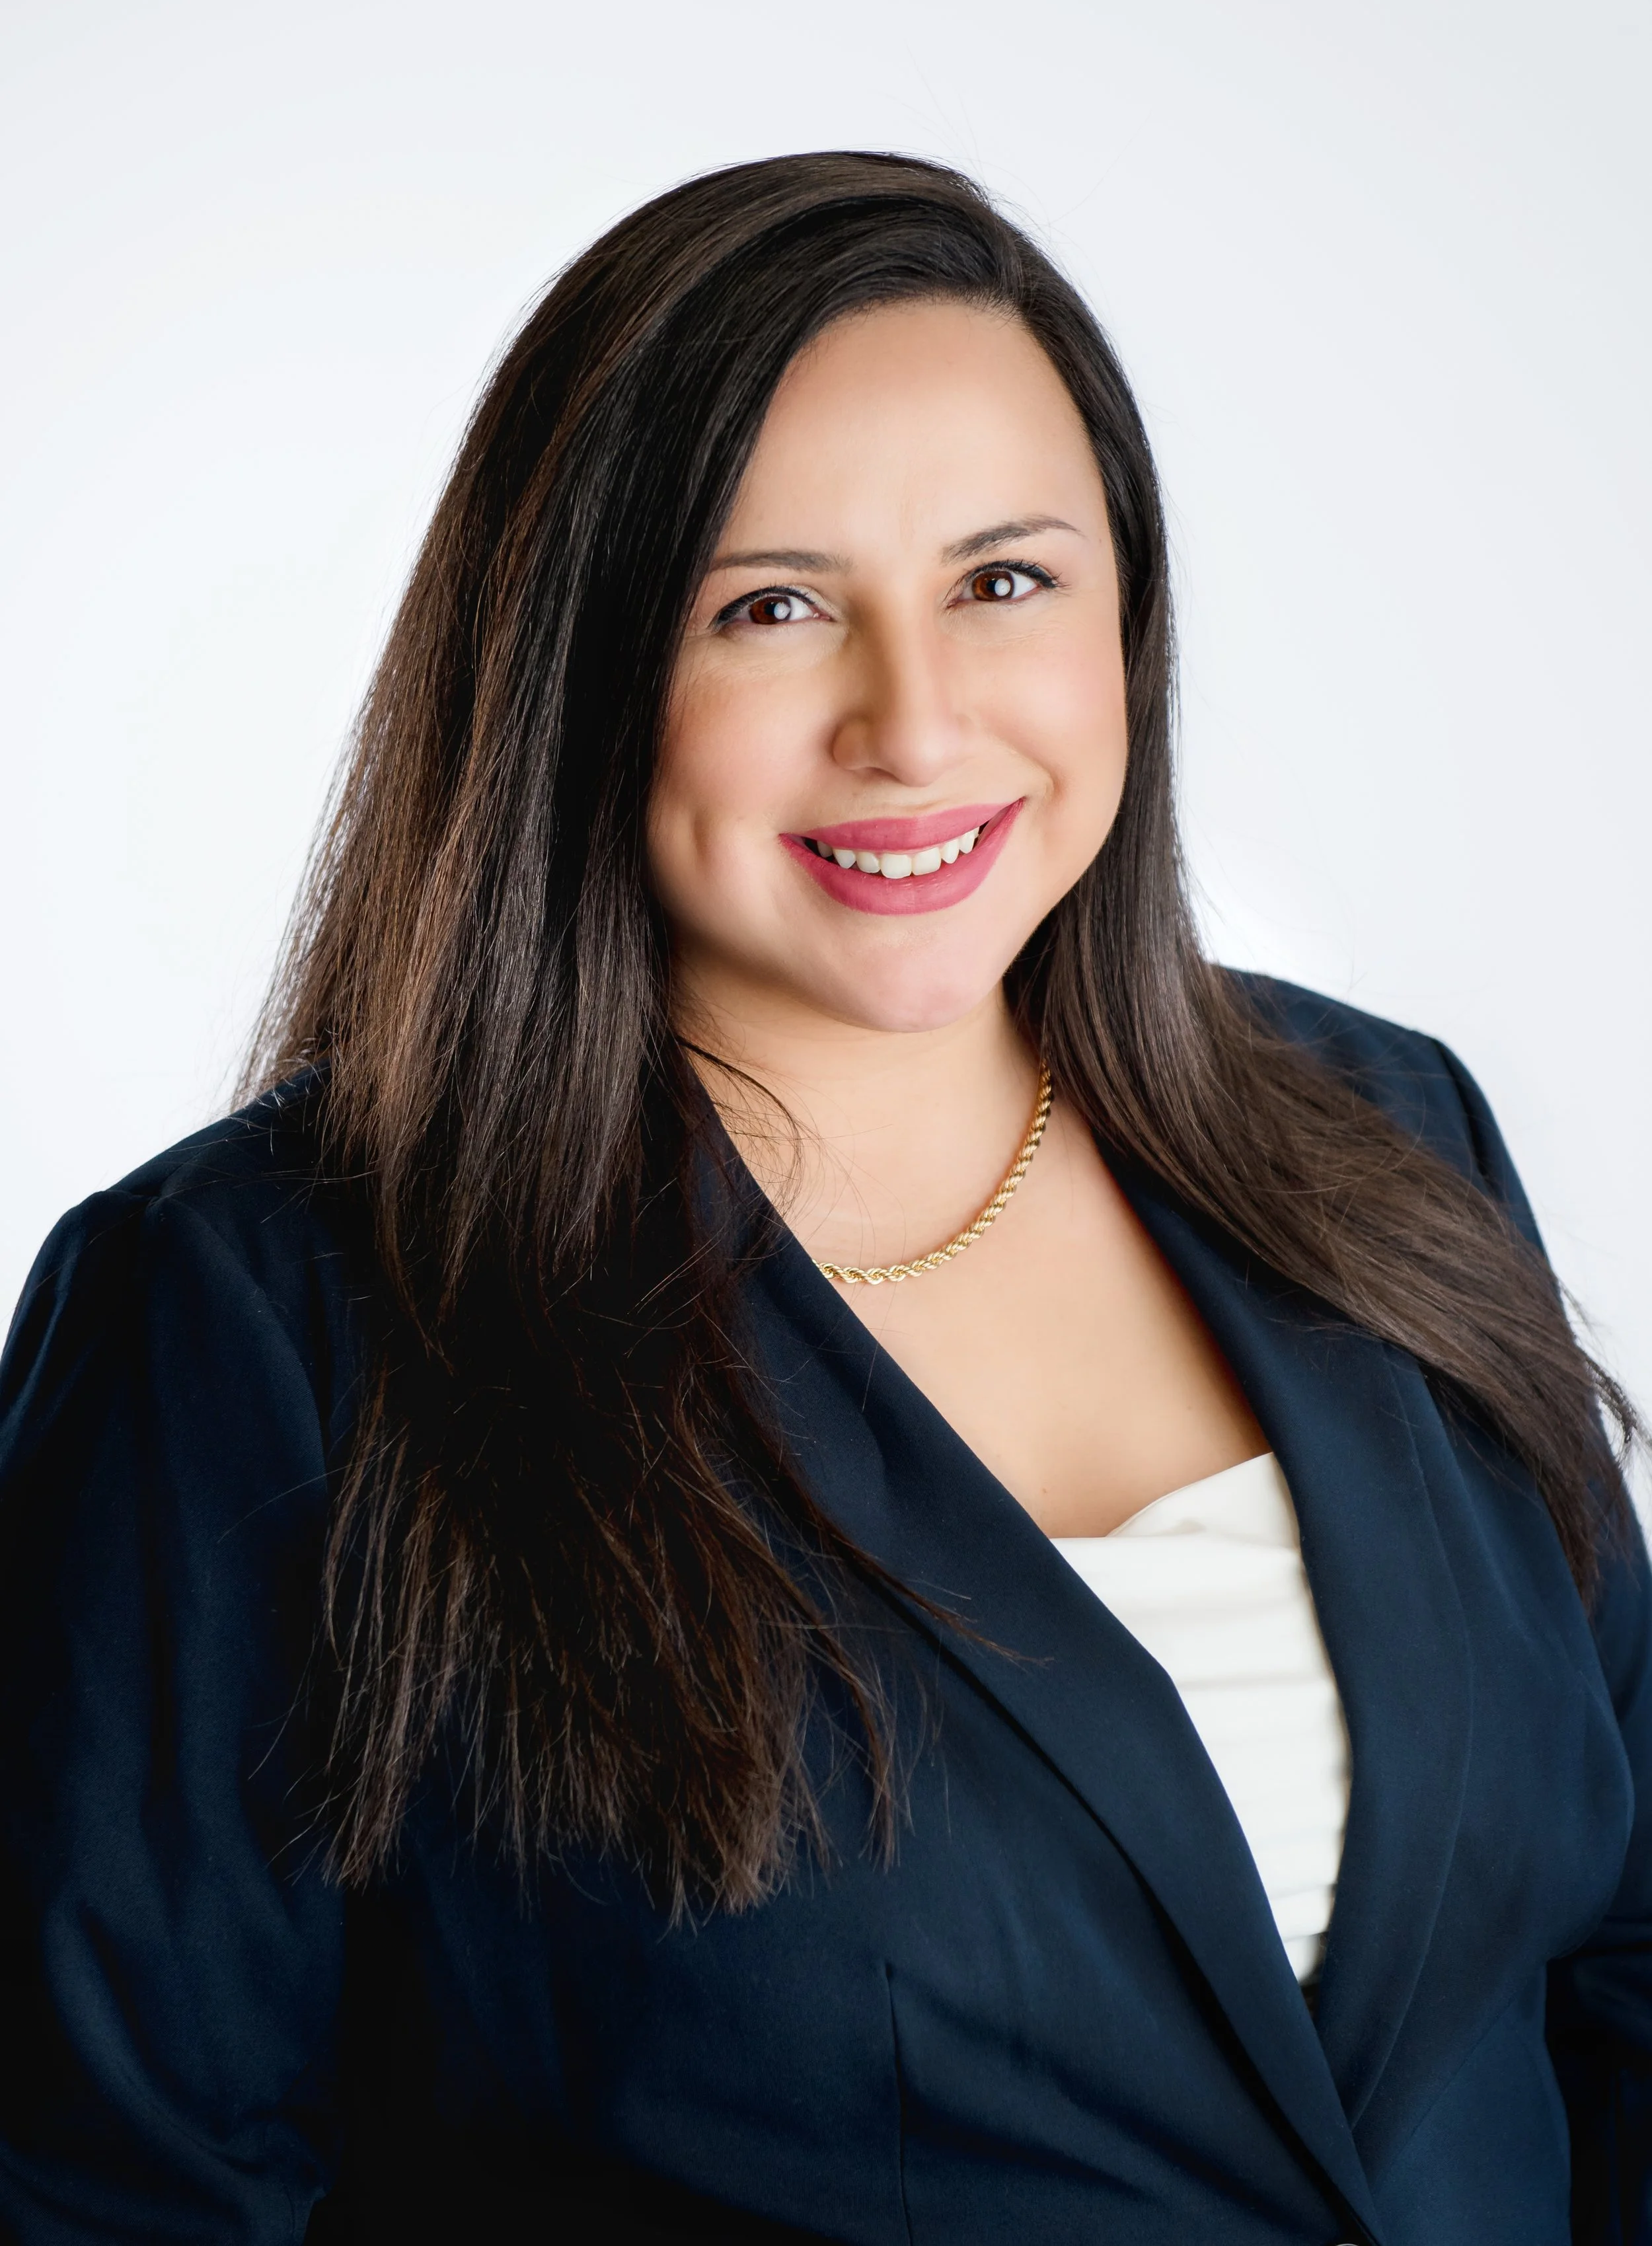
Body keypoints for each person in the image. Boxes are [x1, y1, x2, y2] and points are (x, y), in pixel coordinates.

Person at [1, 152, 1647, 2246]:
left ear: (1126, 616)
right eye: (768, 607)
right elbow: (112, 2187)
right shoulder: (256, 1309)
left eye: (1004, 580)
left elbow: (1616, 1964)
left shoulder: (1383, 1132)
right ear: (575, 666)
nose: (914, 724)